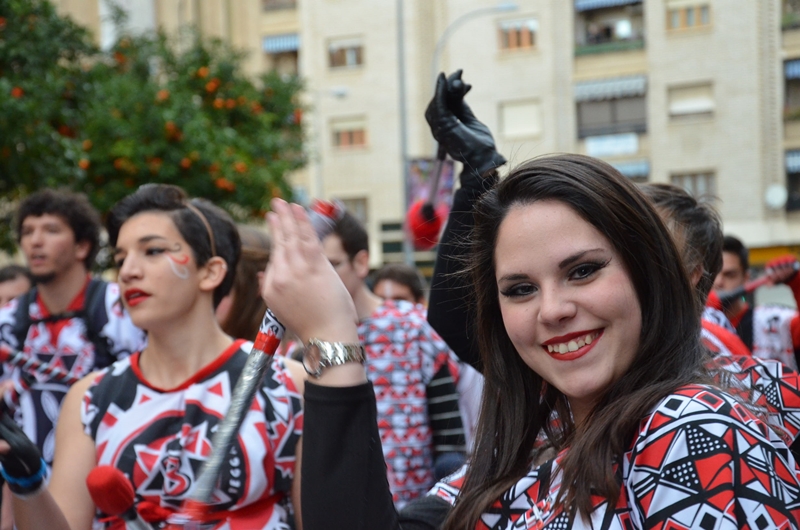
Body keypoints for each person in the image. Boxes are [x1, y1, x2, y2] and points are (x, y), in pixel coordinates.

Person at [260, 73, 800, 529]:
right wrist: (331, 340)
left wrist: (333, 336)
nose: (552, 310)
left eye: (583, 271)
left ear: (657, 274)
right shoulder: (546, 437)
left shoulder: (694, 429)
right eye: (520, 289)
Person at [0, 184, 305, 529]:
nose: (128, 271)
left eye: (152, 251)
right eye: (120, 259)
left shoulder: (287, 385)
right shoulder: (90, 399)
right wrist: (28, 483)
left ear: (211, 271)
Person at [321, 209, 466, 506]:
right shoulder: (301, 341)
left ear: (361, 262)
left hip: (413, 511)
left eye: (332, 264)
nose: (321, 277)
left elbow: (450, 440)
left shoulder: (414, 327)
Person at [0, 190, 145, 467]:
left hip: (112, 482)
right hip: (25, 486)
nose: (35, 241)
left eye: (51, 230)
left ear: (82, 247)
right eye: (28, 231)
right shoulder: (7, 321)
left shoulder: (124, 309)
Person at [711, 235, 800, 369]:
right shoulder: (689, 328)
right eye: (712, 274)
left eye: (730, 275)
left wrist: (797, 283)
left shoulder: (775, 322)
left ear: (746, 278)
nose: (718, 282)